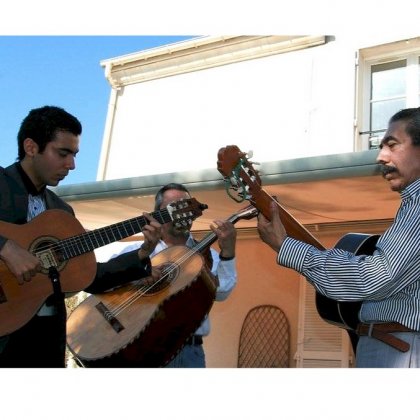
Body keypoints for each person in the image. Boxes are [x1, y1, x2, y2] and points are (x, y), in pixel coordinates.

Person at [257, 107, 420, 368]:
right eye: (380, 146)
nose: (381, 156)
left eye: (392, 144)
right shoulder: (410, 205)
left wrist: (285, 245)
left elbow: (375, 277)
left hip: (401, 350)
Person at [0, 105, 161, 367]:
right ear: (31, 147)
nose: (71, 165)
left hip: (45, 339)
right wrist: (6, 247)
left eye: (74, 155)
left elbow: (89, 277)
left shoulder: (62, 213)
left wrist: (142, 253)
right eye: (63, 153)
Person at [114, 182, 237, 367]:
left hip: (189, 353)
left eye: (186, 206)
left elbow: (221, 292)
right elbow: (104, 284)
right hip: (140, 349)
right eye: (173, 208)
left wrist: (228, 252)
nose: (180, 212)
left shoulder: (207, 255)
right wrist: (136, 277)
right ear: (157, 214)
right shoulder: (135, 251)